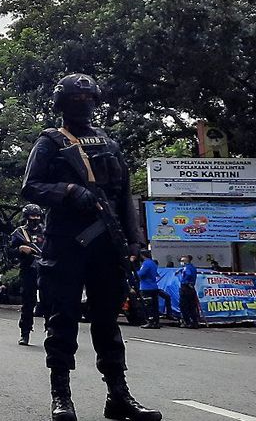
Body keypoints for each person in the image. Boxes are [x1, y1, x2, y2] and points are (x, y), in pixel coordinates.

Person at [22, 73, 161, 421]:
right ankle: (61, 397)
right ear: (62, 104)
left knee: (107, 323)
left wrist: (134, 242)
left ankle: (118, 395)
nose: (82, 106)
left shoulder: (109, 144)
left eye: (88, 100)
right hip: (66, 244)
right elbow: (31, 187)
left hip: (106, 246)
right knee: (62, 319)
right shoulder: (50, 143)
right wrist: (69, 192)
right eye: (75, 100)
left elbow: (125, 196)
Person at [10, 203, 46, 345]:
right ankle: (25, 333)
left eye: (37, 217)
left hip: (46, 269)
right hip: (29, 270)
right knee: (28, 303)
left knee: (49, 302)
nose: (35, 220)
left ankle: (51, 332)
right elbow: (8, 252)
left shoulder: (46, 231)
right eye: (32, 218)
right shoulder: (20, 232)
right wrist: (20, 249)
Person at [137, 250, 162, 329]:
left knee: (148, 305)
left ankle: (150, 321)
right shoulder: (153, 263)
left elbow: (141, 274)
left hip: (146, 287)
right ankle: (156, 321)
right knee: (155, 305)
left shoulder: (146, 263)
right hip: (154, 286)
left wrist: (135, 273)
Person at [176, 255, 200, 329]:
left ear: (186, 261)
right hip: (191, 288)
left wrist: (184, 280)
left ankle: (187, 322)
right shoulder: (192, 267)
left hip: (186, 288)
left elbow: (188, 274)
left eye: (182, 261)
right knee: (192, 306)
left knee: (184, 306)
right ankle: (194, 322)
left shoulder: (187, 268)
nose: (181, 262)